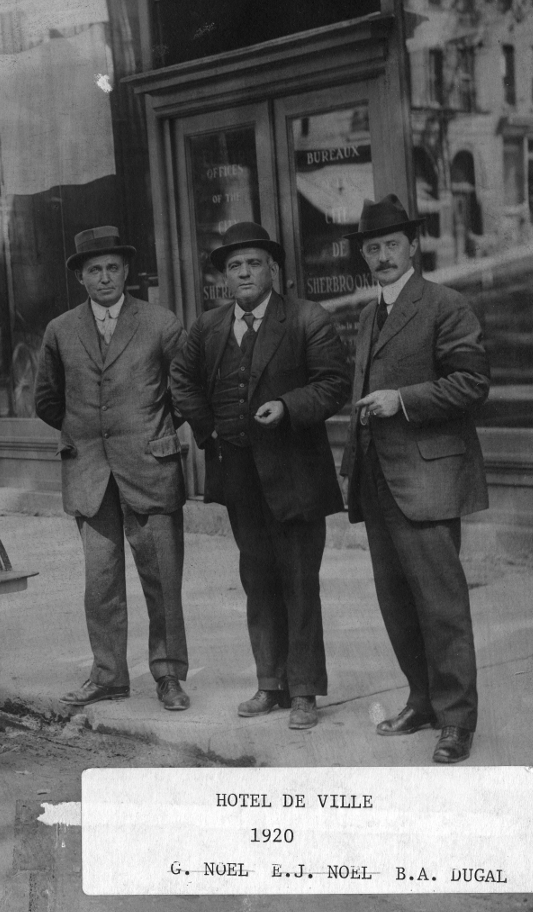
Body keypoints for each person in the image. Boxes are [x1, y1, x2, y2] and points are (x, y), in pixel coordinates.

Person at [171, 222, 349, 730]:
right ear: (225, 277)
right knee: (257, 579)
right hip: (240, 476)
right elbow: (180, 380)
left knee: (299, 581)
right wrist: (211, 428)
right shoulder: (208, 327)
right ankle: (269, 684)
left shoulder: (306, 318)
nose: (244, 273)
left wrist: (288, 406)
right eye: (234, 266)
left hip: (296, 474)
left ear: (273, 269)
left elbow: (334, 383)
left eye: (253, 263)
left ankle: (306, 691)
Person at [340, 195, 489, 764]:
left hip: (426, 480)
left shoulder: (445, 305)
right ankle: (422, 700)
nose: (381, 256)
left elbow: (471, 384)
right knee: (396, 601)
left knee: (441, 605)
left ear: (412, 246)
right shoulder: (367, 313)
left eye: (390, 245)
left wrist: (401, 400)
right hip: (378, 480)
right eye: (372, 248)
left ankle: (456, 720)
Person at [33, 226, 191, 712]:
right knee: (100, 585)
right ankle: (108, 675)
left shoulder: (161, 323)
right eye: (94, 270)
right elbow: (46, 400)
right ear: (81, 277)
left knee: (162, 580)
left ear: (126, 271)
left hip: (150, 469)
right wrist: (86, 433)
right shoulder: (60, 330)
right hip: (90, 476)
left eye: (113, 268)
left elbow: (183, 393)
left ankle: (168, 676)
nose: (105, 278)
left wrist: (149, 429)